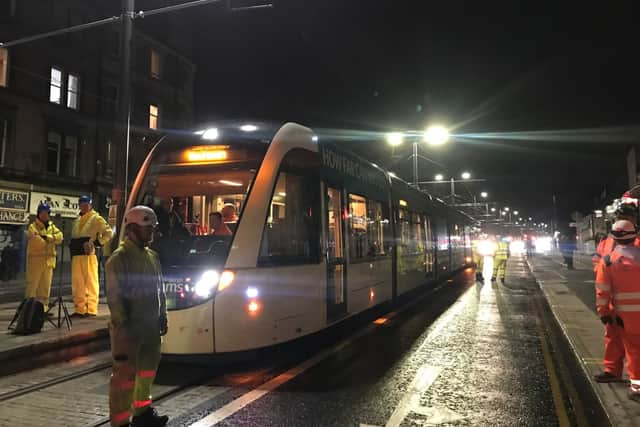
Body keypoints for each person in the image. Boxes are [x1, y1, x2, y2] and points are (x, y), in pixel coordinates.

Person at [106, 205, 168, 427]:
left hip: (150, 329)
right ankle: (120, 423)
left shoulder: (152, 256)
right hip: (129, 332)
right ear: (132, 228)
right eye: (147, 228)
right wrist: (123, 329)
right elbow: (115, 298)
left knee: (147, 373)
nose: (152, 233)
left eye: (153, 228)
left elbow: (159, 290)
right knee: (124, 381)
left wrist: (163, 315)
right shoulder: (119, 259)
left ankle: (142, 413)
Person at [592, 194, 640, 382]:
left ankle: (635, 379)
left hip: (629, 300)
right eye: (623, 217)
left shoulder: (634, 239)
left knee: (634, 342)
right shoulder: (607, 241)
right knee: (612, 336)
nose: (625, 221)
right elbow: (597, 262)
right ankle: (612, 371)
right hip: (612, 297)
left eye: (629, 218)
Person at [70, 195, 113, 318]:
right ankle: (80, 309)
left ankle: (91, 309)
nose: (83, 206)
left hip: (89, 256)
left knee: (90, 282)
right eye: (82, 204)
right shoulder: (76, 220)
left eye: (86, 204)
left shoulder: (96, 218)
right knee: (78, 283)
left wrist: (97, 243)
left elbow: (108, 233)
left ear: (90, 205)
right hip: (77, 255)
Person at [25, 203, 63, 311]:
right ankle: (28, 311)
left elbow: (60, 237)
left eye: (47, 213)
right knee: (32, 287)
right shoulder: (33, 227)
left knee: (45, 288)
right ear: (39, 214)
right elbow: (37, 242)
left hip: (49, 262)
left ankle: (43, 310)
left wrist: (47, 237)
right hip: (36, 263)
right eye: (43, 213)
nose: (45, 215)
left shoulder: (52, 226)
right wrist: (52, 240)